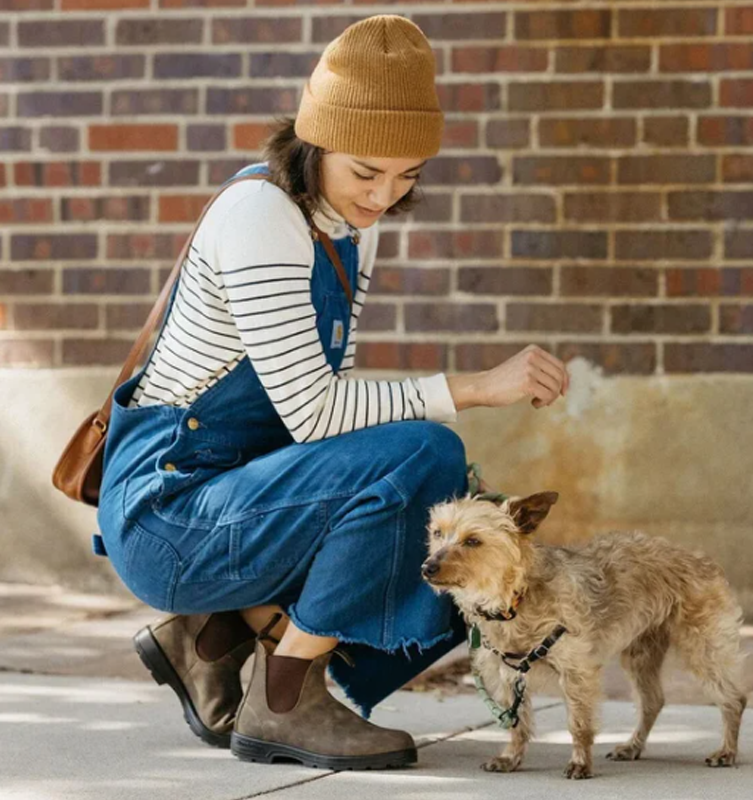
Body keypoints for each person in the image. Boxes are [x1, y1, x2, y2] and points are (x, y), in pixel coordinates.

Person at [95, 14, 570, 770]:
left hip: (234, 494)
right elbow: (313, 411)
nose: (385, 196)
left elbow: (318, 420)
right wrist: (475, 387)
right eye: (367, 171)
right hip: (171, 511)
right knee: (423, 454)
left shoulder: (343, 221)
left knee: (446, 503)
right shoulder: (261, 216)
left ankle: (209, 638)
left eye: (408, 174)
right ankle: (285, 698)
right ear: (314, 142)